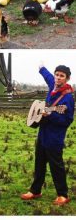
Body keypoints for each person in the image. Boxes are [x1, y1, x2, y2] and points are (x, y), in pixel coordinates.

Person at [21, 64, 74, 206]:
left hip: (54, 138)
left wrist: (50, 115)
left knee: (56, 166)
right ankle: (35, 190)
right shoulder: (53, 86)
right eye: (57, 74)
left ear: (67, 79)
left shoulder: (67, 98)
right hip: (43, 135)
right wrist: (41, 68)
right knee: (39, 164)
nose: (58, 77)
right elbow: (49, 78)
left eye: (61, 76)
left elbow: (67, 120)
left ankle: (62, 195)